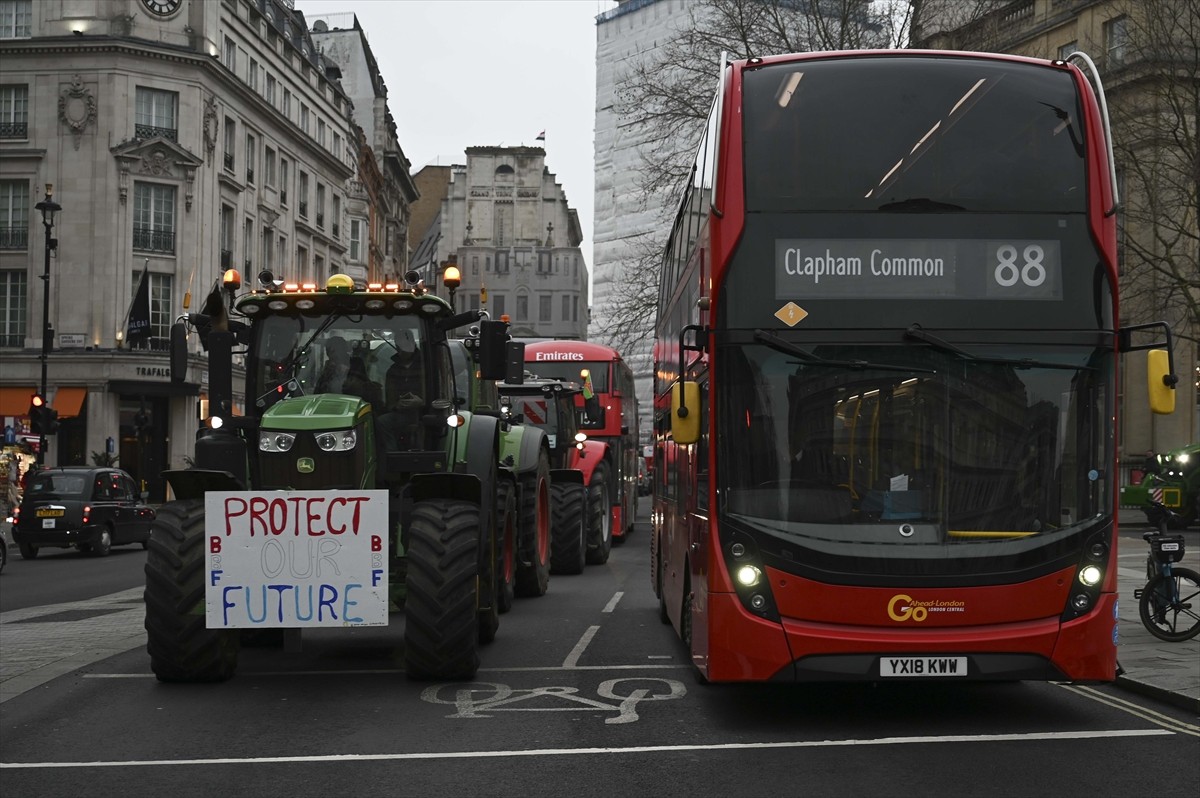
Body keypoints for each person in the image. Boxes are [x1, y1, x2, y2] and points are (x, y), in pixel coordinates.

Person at [378, 334, 425, 451]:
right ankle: (392, 455)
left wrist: (422, 402)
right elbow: (389, 398)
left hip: (425, 413)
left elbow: (437, 391)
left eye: (404, 346)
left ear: (412, 344)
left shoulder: (427, 365)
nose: (401, 350)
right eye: (399, 347)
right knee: (382, 421)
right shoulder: (393, 370)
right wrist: (396, 405)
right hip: (401, 414)